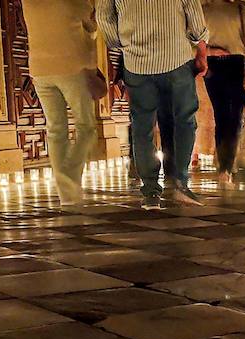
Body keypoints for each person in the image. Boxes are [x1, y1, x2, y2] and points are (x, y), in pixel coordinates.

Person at [98, 0, 209, 206]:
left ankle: (150, 190)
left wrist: (124, 44)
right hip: (176, 57)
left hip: (137, 63)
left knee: (142, 125)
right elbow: (193, 12)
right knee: (183, 119)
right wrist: (201, 51)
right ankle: (179, 183)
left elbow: (104, 17)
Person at [22, 0, 101, 206]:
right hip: (71, 66)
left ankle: (67, 196)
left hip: (39, 70)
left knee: (56, 130)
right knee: (87, 126)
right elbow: (91, 24)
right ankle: (69, 176)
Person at [202, 0, 245, 187]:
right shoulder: (239, 10)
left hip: (211, 65)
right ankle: (226, 169)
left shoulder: (204, 11)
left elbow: (192, 39)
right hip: (235, 64)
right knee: (234, 116)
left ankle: (222, 163)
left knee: (220, 116)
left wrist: (211, 49)